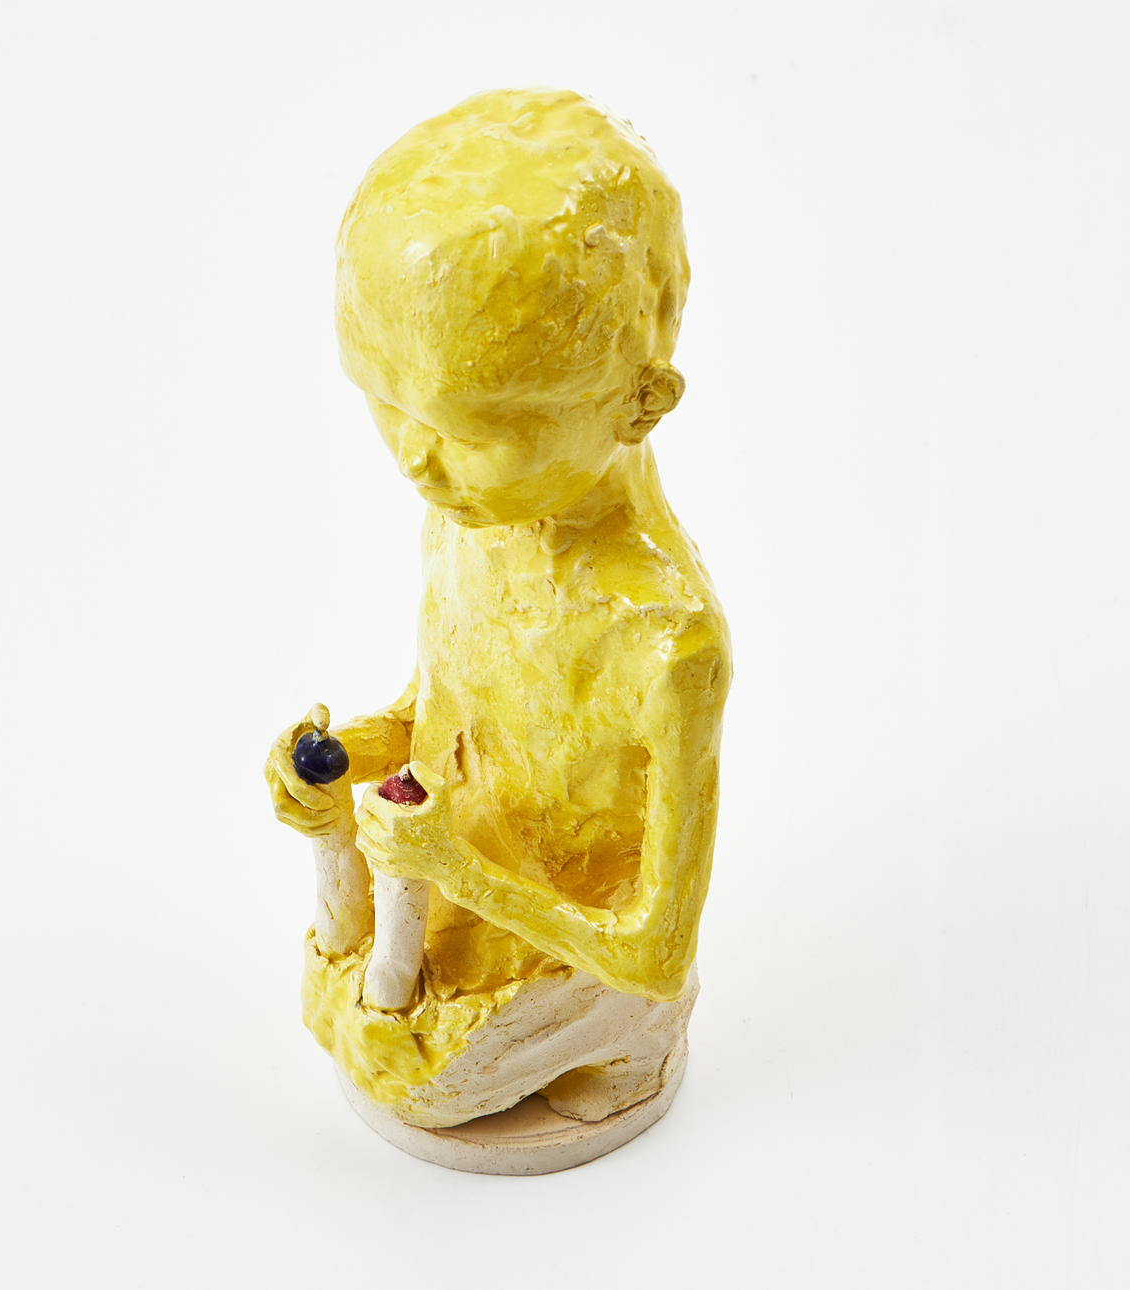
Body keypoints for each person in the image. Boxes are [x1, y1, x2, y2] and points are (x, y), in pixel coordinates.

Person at [266, 88, 731, 1128]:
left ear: (641, 401)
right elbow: (443, 724)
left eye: (473, 430)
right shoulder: (468, 523)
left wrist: (454, 867)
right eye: (384, 402)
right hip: (441, 897)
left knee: (414, 1083)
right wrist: (345, 761)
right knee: (337, 1008)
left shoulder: (666, 646)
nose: (416, 460)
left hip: (573, 949)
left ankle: (622, 1048)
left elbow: (658, 949)